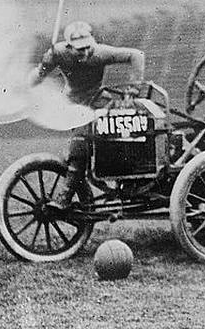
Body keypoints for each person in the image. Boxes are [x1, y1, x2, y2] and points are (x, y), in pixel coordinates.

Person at [29, 21, 146, 208]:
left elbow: (137, 55)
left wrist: (133, 89)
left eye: (87, 47)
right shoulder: (57, 52)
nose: (84, 53)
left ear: (92, 42)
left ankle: (128, 181)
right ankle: (65, 197)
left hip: (97, 99)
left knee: (118, 134)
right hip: (73, 103)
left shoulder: (100, 52)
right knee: (80, 144)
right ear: (68, 46)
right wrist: (38, 75)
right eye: (79, 49)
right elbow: (37, 75)